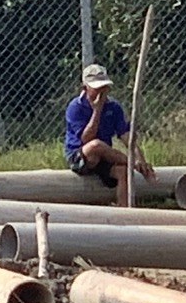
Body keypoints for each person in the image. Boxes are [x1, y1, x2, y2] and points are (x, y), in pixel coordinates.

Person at [64, 63, 156, 206]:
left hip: (102, 158)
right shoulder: (76, 107)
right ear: (85, 88)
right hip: (80, 156)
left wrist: (140, 157)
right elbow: (86, 139)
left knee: (123, 172)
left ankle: (123, 211)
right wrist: (97, 110)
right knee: (96, 145)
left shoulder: (114, 107)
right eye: (96, 89)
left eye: (104, 88)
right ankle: (133, 164)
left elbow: (125, 136)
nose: (101, 92)